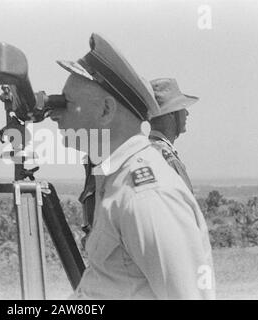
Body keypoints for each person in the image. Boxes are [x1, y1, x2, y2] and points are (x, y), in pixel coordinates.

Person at [50, 33, 215, 299]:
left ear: (105, 110)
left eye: (66, 103)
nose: (54, 114)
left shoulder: (146, 196)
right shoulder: (116, 179)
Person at [149, 78, 198, 193]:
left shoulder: (148, 151)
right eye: (182, 108)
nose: (186, 113)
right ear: (171, 113)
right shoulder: (169, 159)